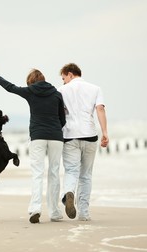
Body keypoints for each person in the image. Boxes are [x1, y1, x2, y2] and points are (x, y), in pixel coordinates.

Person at [0, 68, 66, 223]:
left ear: (31, 82)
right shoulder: (56, 94)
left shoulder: (30, 91)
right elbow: (63, 119)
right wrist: (54, 129)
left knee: (37, 173)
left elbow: (9, 87)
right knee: (54, 173)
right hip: (56, 137)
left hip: (37, 137)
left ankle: (35, 209)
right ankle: (54, 212)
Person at [58, 63, 109, 221]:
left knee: (72, 171)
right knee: (86, 175)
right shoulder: (95, 88)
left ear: (70, 74)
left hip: (69, 136)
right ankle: (84, 213)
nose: (63, 81)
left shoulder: (60, 91)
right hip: (90, 135)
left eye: (63, 78)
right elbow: (100, 109)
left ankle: (69, 193)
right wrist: (105, 132)